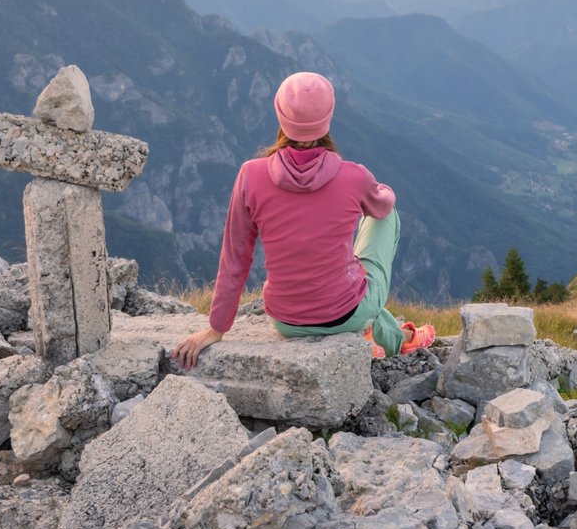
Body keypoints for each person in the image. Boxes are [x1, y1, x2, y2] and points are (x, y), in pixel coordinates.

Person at [173, 71, 432, 369]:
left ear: (280, 114)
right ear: (329, 118)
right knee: (387, 217)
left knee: (359, 290)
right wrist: (377, 189)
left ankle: (377, 333)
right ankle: (397, 340)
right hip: (347, 313)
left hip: (286, 322)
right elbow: (384, 205)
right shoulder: (354, 176)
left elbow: (235, 260)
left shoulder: (250, 175)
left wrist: (216, 328)